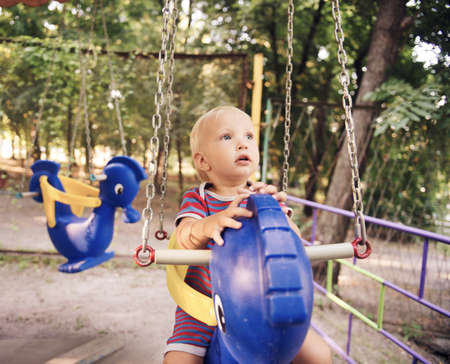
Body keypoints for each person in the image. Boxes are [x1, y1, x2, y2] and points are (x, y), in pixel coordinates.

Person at [163, 106, 332, 364]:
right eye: (227, 137)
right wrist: (210, 225)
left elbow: (294, 245)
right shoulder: (199, 199)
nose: (242, 144)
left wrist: (281, 216)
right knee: (179, 360)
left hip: (258, 302)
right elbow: (184, 237)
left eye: (249, 137)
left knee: (319, 355)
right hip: (206, 306)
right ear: (203, 161)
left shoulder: (263, 197)